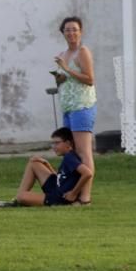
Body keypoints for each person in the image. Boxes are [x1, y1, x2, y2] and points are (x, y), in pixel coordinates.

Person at [0, 127, 93, 207]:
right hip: (55, 187)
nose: (54, 147)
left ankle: (18, 200)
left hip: (59, 198)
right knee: (34, 163)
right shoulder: (68, 157)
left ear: (68, 143)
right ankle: (18, 198)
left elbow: (87, 173)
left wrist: (73, 194)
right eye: (53, 144)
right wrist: (47, 165)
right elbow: (62, 179)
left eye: (57, 143)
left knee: (22, 197)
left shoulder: (70, 157)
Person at [52, 16, 96, 205]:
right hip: (68, 107)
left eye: (74, 29)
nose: (71, 33)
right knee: (73, 152)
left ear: (81, 32)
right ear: (62, 33)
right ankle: (75, 191)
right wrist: (59, 77)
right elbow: (65, 79)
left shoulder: (82, 52)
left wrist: (66, 69)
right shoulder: (64, 54)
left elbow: (89, 79)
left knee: (83, 151)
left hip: (82, 106)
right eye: (67, 30)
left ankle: (85, 196)